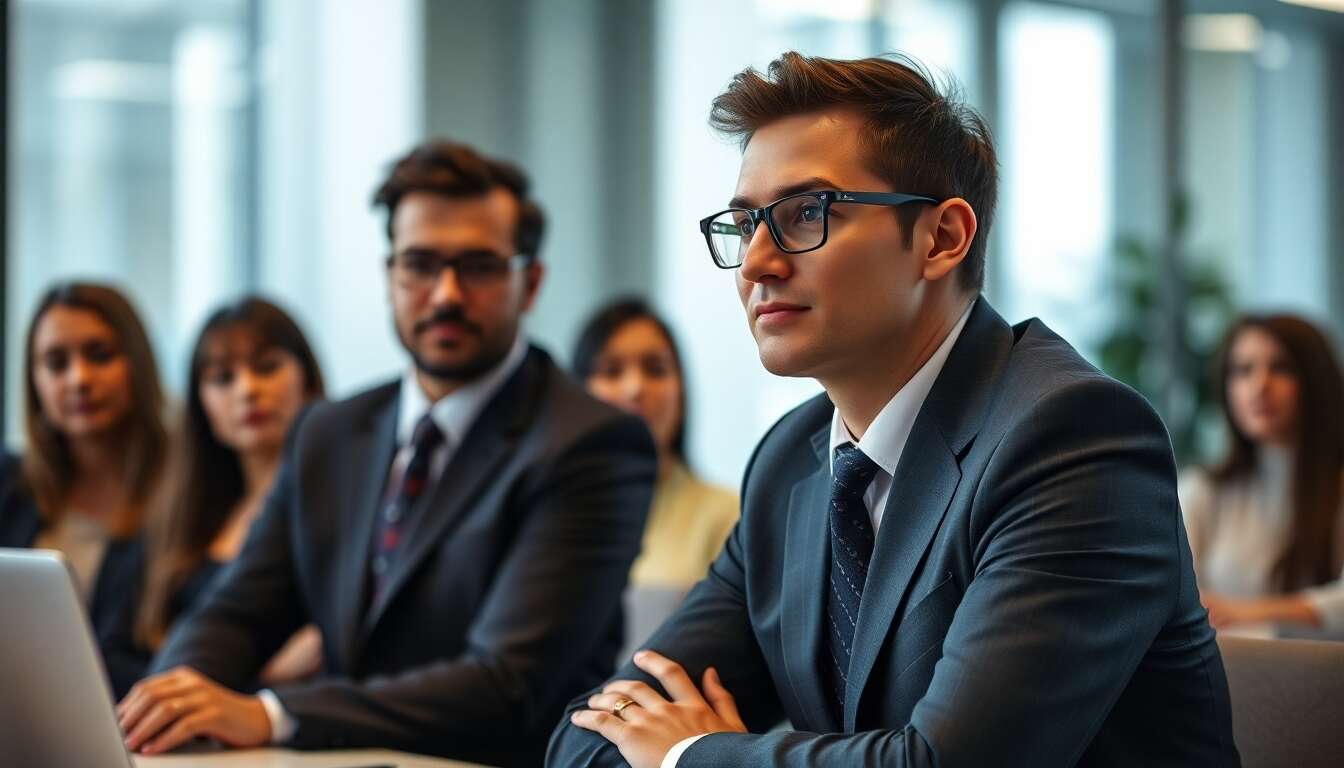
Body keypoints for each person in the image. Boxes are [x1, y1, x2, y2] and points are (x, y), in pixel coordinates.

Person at [547, 51, 1237, 767]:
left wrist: (689, 754)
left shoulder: (1073, 437)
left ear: (941, 239)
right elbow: (586, 739)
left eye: (802, 214)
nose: (756, 261)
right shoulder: (791, 460)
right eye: (747, 222)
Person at [116, 140, 657, 767]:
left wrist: (272, 713)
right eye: (420, 265)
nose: (445, 294)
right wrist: (174, 699)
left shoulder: (591, 442)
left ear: (529, 282)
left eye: (478, 266)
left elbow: (506, 683)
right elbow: (238, 611)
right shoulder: (330, 432)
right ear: (390, 275)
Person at [101, 298, 328, 697]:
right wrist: (265, 676)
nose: (247, 390)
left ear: (308, 380)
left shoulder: (346, 510)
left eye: (267, 367)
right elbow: (113, 654)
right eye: (222, 378)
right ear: (200, 402)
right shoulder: (180, 514)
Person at [0, 282, 168, 690]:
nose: (79, 379)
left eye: (100, 355)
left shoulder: (187, 491)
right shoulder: (11, 485)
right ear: (34, 381)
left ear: (137, 363)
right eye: (56, 363)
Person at [1179, 314, 1344, 636]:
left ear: (1315, 380)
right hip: (1225, 672)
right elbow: (1176, 599)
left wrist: (1242, 612)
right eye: (1243, 370)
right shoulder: (1201, 490)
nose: (1259, 385)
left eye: (1281, 368)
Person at [573, 298, 737, 590]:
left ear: (681, 393)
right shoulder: (550, 516)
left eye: (655, 369)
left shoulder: (728, 517)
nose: (635, 387)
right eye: (611, 370)